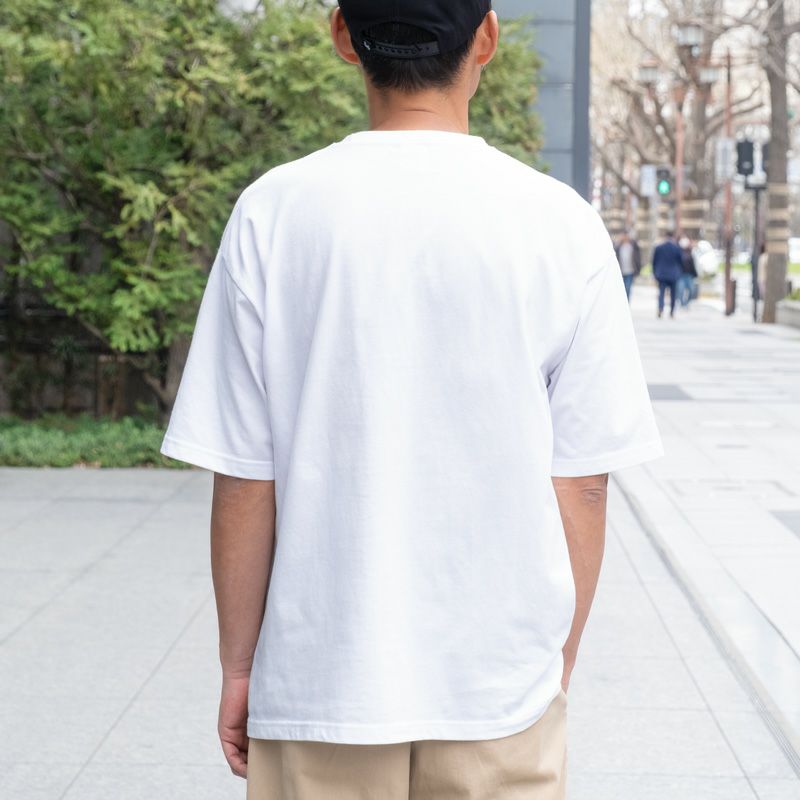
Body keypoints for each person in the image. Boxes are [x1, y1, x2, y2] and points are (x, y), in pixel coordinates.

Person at [161, 3, 664, 798]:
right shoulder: (561, 224)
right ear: (486, 38)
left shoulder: (274, 211)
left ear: (342, 36)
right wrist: (556, 660)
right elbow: (584, 483)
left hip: (321, 681)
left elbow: (247, 478)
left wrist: (239, 666)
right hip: (499, 686)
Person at [652, 231, 683, 318]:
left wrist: (655, 272)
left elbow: (654, 261)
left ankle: (660, 308)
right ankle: (672, 311)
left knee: (661, 293)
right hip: (673, 274)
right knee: (673, 294)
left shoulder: (659, 247)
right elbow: (680, 261)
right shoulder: (676, 248)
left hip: (662, 274)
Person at [614, 230, 642, 301]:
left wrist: (638, 268)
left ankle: (627, 303)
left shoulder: (633, 246)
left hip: (630, 271)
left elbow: (637, 258)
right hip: (620, 271)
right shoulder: (618, 246)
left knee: (628, 288)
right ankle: (621, 302)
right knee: (620, 289)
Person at [678, 236, 698, 308]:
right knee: (681, 291)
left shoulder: (690, 253)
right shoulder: (679, 253)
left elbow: (693, 265)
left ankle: (686, 303)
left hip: (689, 275)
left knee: (691, 290)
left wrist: (695, 274)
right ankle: (682, 303)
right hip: (681, 275)